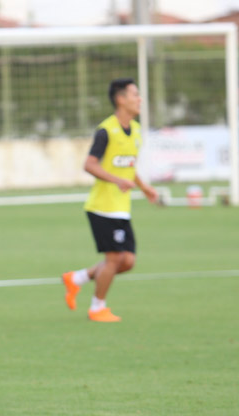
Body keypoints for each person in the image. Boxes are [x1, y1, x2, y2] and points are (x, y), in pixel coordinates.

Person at [62, 78, 158, 322]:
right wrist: (116, 180)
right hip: (102, 207)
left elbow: (129, 166)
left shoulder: (135, 130)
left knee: (127, 262)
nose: (139, 99)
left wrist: (144, 187)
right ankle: (97, 308)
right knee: (114, 259)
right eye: (135, 95)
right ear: (120, 99)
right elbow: (89, 165)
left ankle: (77, 278)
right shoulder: (106, 130)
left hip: (121, 208)